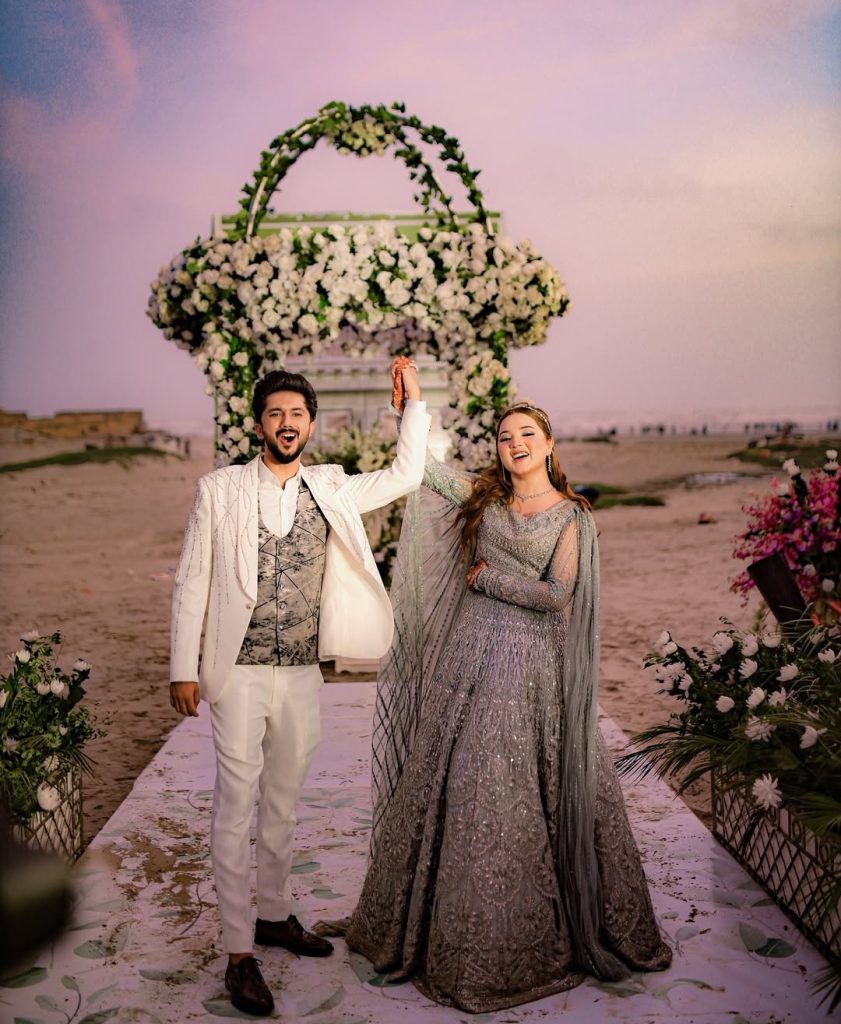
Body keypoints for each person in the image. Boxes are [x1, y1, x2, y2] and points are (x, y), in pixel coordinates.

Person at [340, 402, 672, 1013]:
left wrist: (487, 578)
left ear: (548, 444)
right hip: (468, 656)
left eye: (526, 434)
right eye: (504, 436)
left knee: (513, 778)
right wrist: (410, 409)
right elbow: (424, 472)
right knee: (461, 777)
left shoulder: (572, 515)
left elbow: (557, 594)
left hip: (532, 664)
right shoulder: (483, 496)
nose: (514, 443)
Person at [168, 362, 430, 1016]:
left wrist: (412, 407)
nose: (287, 424)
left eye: (297, 414)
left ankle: (274, 915)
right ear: (259, 424)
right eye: (276, 414)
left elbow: (406, 475)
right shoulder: (220, 490)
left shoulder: (331, 486)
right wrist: (183, 667)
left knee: (284, 803)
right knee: (235, 806)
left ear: (311, 425)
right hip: (237, 671)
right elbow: (192, 580)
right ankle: (238, 952)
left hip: (301, 673)